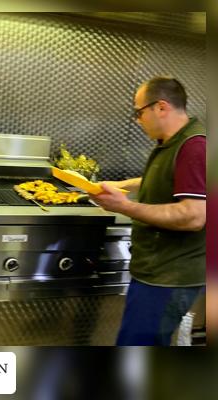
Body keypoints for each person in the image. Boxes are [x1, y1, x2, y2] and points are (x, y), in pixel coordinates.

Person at [90, 76, 206, 346]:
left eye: (139, 112)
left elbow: (194, 215)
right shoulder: (173, 143)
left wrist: (125, 206)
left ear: (161, 107)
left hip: (169, 278)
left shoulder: (194, 147)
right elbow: (166, 179)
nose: (137, 119)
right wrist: (121, 185)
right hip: (156, 273)